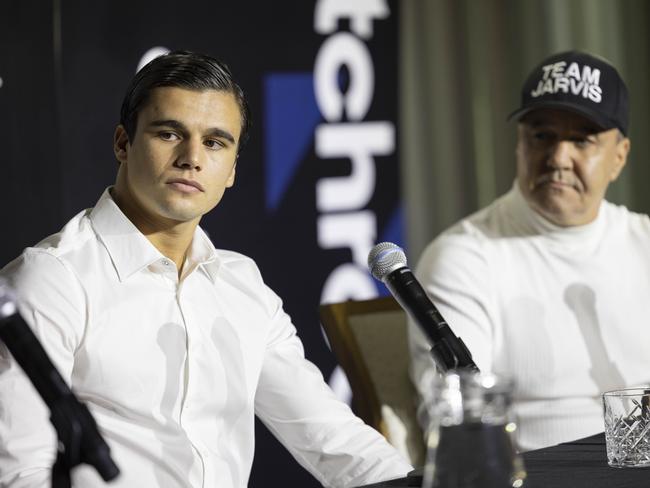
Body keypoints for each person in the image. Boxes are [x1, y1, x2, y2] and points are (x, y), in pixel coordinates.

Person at [0, 51, 412, 487]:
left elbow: (333, 440)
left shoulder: (240, 284)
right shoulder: (52, 280)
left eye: (215, 143)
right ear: (123, 142)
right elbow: (18, 474)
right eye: (169, 133)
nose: (191, 158)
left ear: (232, 169)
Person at [408, 50, 650, 452]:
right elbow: (461, 426)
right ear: (519, 143)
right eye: (542, 136)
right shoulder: (465, 257)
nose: (558, 158)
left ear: (619, 157)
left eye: (581, 140)